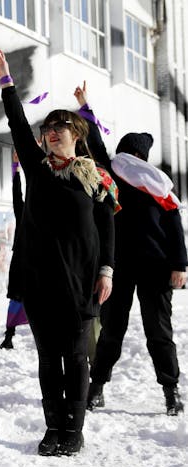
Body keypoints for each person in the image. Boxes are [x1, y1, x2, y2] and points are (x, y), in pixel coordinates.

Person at [0, 50, 116, 456]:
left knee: (77, 358)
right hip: (41, 280)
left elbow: (108, 225)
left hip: (81, 281)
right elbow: (17, 124)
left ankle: (74, 429)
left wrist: (107, 271)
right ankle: (53, 426)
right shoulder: (38, 170)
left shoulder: (95, 178)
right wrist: (7, 81)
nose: (53, 131)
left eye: (63, 126)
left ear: (77, 135)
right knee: (48, 358)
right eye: (49, 127)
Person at [76, 82, 187, 416]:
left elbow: (175, 230)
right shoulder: (112, 175)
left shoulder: (159, 186)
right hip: (118, 267)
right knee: (112, 330)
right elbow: (95, 145)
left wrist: (180, 265)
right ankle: (97, 388)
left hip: (154, 269)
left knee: (159, 332)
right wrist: (85, 107)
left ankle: (171, 390)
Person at [0, 151, 28, 349]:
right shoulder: (23, 210)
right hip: (21, 260)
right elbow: (17, 192)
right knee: (15, 299)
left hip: (42, 261)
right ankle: (9, 337)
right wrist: (15, 168)